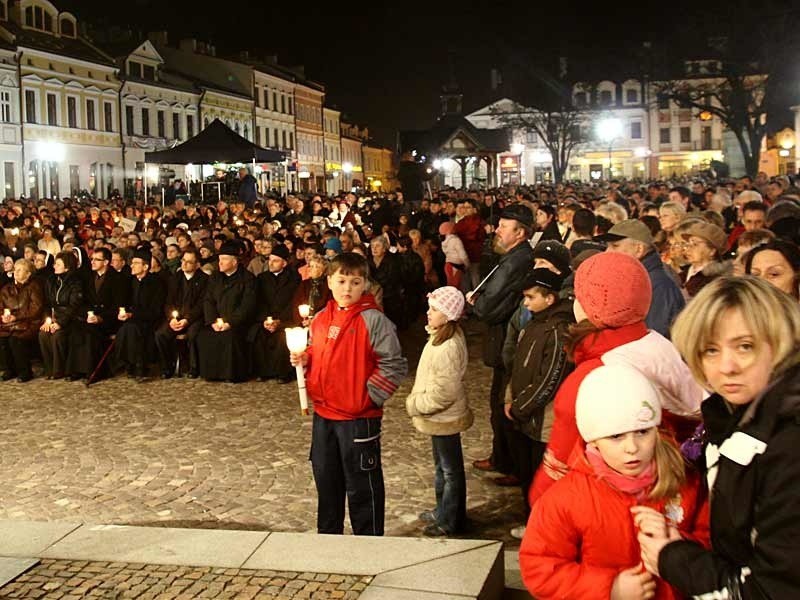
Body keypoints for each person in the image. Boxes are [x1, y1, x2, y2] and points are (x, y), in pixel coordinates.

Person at [638, 276, 800, 599]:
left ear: (781, 344)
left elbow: (769, 591)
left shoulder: (789, 445)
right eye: (710, 350)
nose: (727, 366)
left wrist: (672, 558)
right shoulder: (730, 417)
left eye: (745, 346)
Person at [528, 252, 703, 508]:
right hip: (679, 492)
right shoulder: (658, 345)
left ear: (590, 306)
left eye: (579, 296)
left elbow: (560, 465)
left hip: (614, 504)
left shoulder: (595, 376)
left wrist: (541, 506)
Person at [520, 364, 709, 600]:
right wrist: (609, 589)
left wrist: (677, 543)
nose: (632, 448)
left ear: (656, 429)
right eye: (616, 436)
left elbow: (712, 542)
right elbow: (540, 567)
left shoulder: (685, 481)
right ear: (594, 441)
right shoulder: (564, 500)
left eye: (642, 432)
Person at [290, 252, 408, 536]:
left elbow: (393, 364)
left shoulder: (373, 320)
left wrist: (367, 398)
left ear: (364, 284)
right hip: (324, 414)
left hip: (357, 418)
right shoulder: (320, 318)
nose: (347, 288)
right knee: (327, 481)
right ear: (329, 281)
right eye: (341, 281)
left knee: (361, 485)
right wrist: (306, 359)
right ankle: (329, 538)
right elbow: (321, 353)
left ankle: (368, 542)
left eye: (354, 282)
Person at [502, 268, 574, 539]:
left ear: (550, 298)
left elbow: (550, 379)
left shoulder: (557, 330)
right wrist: (511, 399)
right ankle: (533, 521)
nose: (526, 303)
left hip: (541, 419)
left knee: (540, 477)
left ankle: (545, 529)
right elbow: (521, 366)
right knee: (527, 475)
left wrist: (521, 407)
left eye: (531, 297)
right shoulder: (534, 323)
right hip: (524, 415)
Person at [468, 204, 536, 484]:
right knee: (498, 400)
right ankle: (502, 457)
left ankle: (513, 465)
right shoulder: (510, 257)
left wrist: (477, 302)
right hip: (502, 338)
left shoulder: (516, 261)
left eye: (504, 226)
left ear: (520, 233)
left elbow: (489, 305)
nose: (497, 229)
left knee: (504, 403)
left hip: (507, 339)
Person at [405, 286, 472, 537]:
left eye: (434, 309)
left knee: (450, 469)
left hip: (444, 416)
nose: (428, 312)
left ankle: (450, 519)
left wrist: (416, 405)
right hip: (440, 417)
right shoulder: (439, 337)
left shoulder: (447, 347)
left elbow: (445, 392)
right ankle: (443, 509)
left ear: (448, 314)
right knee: (442, 466)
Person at [601, 219, 685, 338]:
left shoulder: (657, 286)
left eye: (615, 246)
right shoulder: (640, 279)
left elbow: (652, 337)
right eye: (607, 246)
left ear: (639, 249)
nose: (607, 252)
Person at [196, 241, 256, 382]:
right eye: (219, 259)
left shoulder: (248, 279)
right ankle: (211, 373)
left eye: (224, 259)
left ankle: (230, 374)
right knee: (204, 335)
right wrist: (212, 321)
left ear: (234, 262)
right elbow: (208, 300)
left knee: (230, 338)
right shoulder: (215, 277)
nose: (220, 263)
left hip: (238, 323)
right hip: (216, 321)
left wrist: (230, 322)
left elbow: (247, 305)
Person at [66, 247, 129, 381]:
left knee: (90, 332)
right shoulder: (89, 277)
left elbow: (118, 304)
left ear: (106, 262)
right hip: (91, 315)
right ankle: (77, 369)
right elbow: (83, 300)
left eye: (96, 259)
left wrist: (100, 318)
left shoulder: (117, 279)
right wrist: (88, 313)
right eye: (92, 259)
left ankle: (93, 370)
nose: (93, 262)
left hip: (109, 319)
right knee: (76, 329)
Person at [249, 243, 300, 383]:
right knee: (257, 335)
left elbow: (293, 303)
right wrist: (266, 320)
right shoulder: (261, 278)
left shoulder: (294, 278)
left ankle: (283, 373)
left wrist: (280, 321)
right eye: (270, 260)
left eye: (275, 260)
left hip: (285, 319)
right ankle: (262, 372)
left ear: (284, 263)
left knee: (282, 338)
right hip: (265, 319)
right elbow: (258, 301)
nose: (271, 263)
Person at [114, 247, 166, 382]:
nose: (132, 265)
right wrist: (122, 311)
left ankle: (138, 365)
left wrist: (132, 315)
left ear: (145, 266)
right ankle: (131, 363)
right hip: (132, 320)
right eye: (132, 262)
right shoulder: (130, 281)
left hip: (150, 320)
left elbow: (156, 309)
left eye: (136, 263)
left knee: (132, 329)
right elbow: (123, 301)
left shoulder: (156, 282)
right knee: (127, 328)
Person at [155, 249, 209, 378]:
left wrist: (187, 320)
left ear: (197, 265)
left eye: (189, 262)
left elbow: (201, 305)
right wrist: (171, 318)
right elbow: (168, 301)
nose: (184, 264)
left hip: (195, 318)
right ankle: (167, 366)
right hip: (176, 317)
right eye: (183, 260)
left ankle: (193, 367)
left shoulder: (205, 280)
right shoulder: (175, 278)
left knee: (193, 335)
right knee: (160, 334)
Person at [39, 251, 84, 379]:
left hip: (72, 319)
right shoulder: (52, 280)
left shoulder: (75, 282)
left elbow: (74, 306)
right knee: (43, 334)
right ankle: (50, 369)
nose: (54, 266)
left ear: (67, 267)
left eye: (58, 264)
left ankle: (59, 370)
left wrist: (60, 323)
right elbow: (47, 303)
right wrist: (47, 321)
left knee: (57, 336)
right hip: (55, 317)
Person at [0, 259, 44, 382]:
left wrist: (17, 317)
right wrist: (3, 316)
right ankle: (10, 369)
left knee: (16, 339)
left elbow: (36, 308)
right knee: (3, 338)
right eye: (16, 269)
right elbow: (1, 306)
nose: (16, 272)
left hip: (30, 322)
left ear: (28, 273)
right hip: (10, 323)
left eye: (20, 270)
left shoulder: (34, 286)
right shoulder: (6, 289)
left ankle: (24, 371)